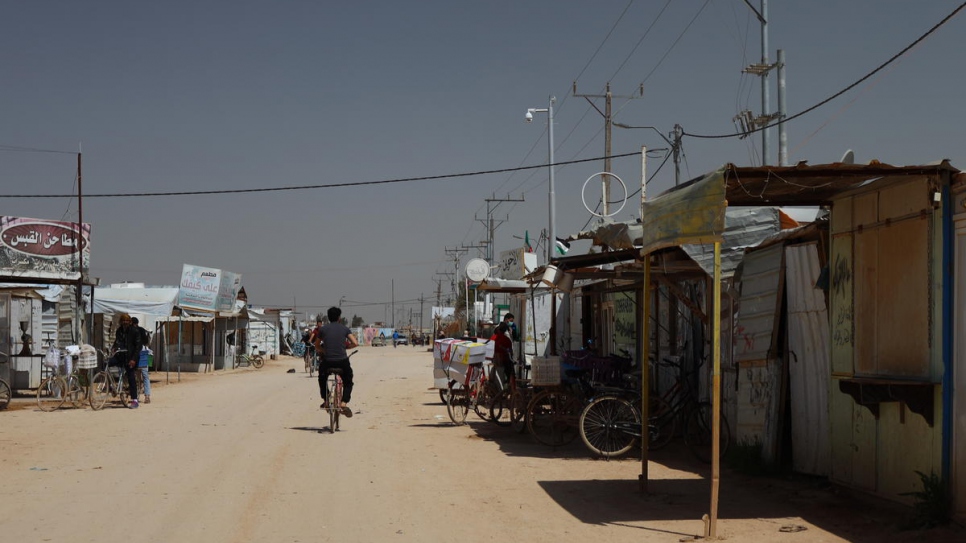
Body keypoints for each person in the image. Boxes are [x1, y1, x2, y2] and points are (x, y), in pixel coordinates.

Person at [315, 306, 359, 417]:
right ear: (339, 317)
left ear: (328, 318)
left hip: (328, 361)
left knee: (322, 378)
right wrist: (345, 348)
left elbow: (316, 345)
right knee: (348, 381)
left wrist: (324, 351)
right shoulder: (344, 329)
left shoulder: (323, 329)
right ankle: (344, 403)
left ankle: (326, 400)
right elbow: (355, 343)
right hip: (342, 361)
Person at [110, 313, 143, 409]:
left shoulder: (134, 331)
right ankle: (111, 386)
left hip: (130, 357)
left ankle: (134, 400)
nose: (125, 322)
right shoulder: (119, 331)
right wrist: (114, 348)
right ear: (121, 322)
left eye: (126, 320)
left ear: (129, 322)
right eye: (123, 320)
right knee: (107, 364)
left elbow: (138, 346)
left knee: (131, 376)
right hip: (121, 355)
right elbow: (117, 342)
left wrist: (133, 359)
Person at [131, 317, 152, 404]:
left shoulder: (131, 331)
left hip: (138, 354)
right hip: (142, 354)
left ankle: (141, 393)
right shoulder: (141, 330)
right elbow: (146, 342)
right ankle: (146, 396)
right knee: (144, 376)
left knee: (138, 375)